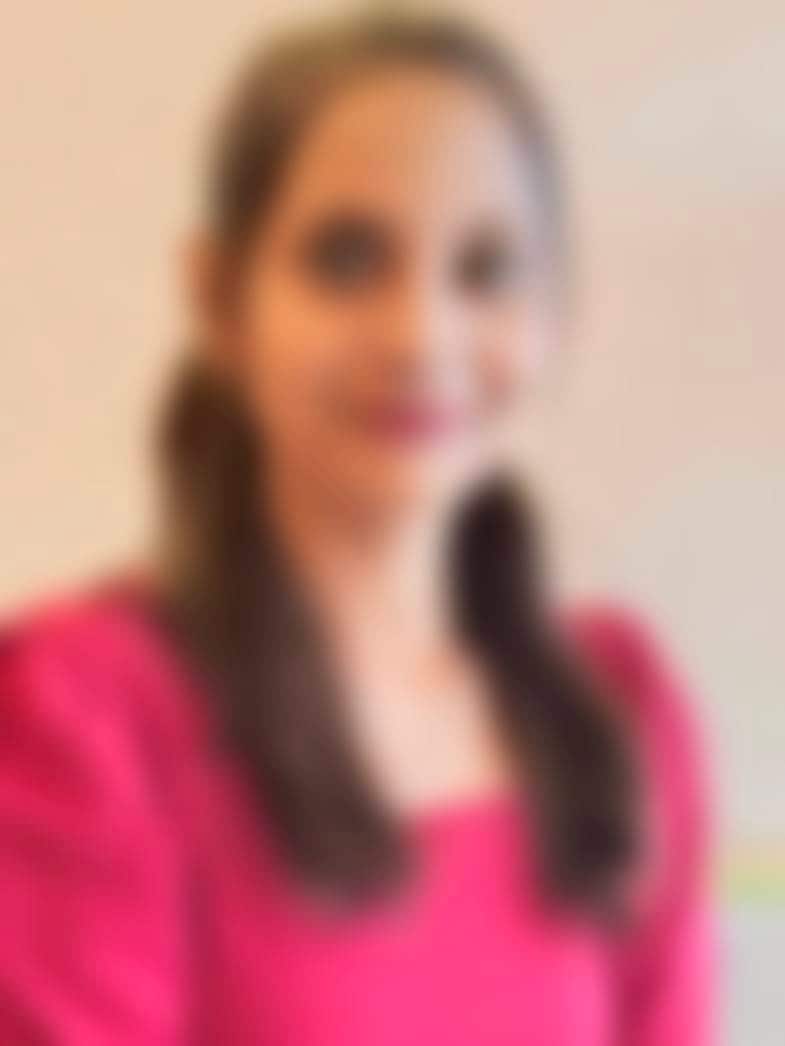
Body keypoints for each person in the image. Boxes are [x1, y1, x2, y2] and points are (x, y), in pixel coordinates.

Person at [0, 10, 715, 1044]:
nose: (419, 334)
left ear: (552, 317)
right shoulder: (93, 718)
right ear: (221, 301)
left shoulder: (616, 707)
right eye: (345, 260)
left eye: (484, 269)